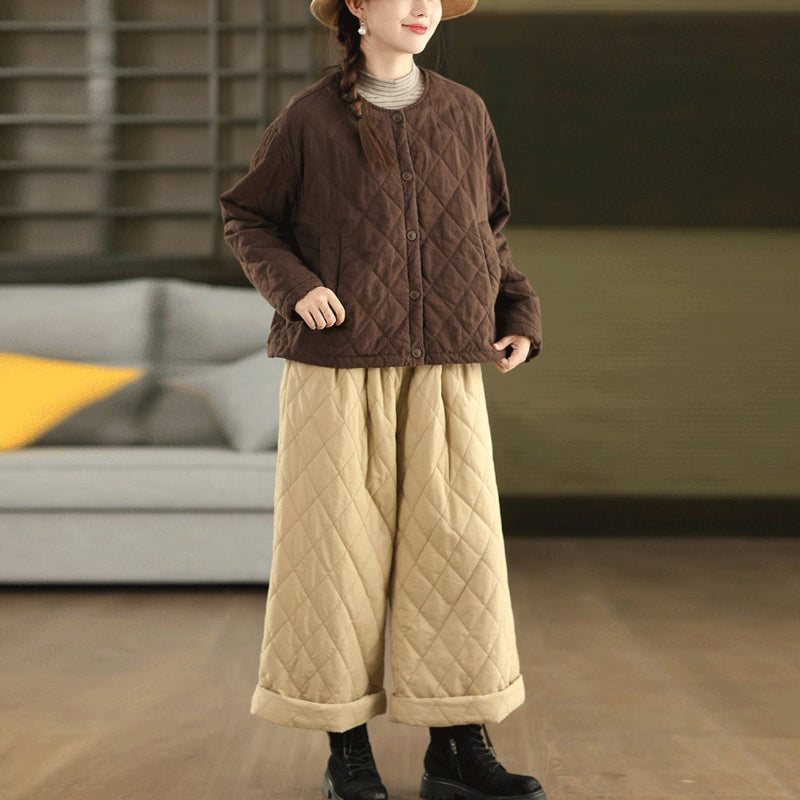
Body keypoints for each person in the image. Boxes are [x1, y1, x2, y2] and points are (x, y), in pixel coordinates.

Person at [218, 1, 546, 798]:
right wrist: (297, 289)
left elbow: (486, 229)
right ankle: (346, 753)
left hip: (447, 367)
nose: (422, 6)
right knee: (334, 560)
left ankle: (457, 748)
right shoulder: (309, 118)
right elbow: (247, 218)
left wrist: (518, 311)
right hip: (338, 369)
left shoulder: (465, 111)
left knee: (458, 556)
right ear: (358, 6)